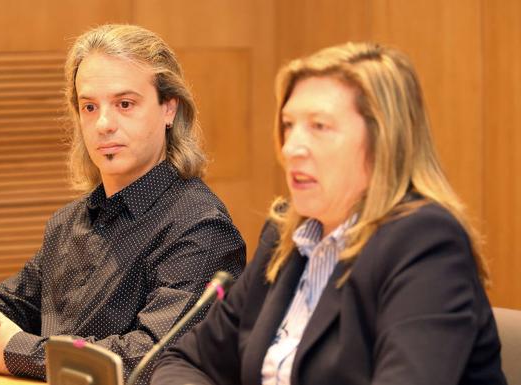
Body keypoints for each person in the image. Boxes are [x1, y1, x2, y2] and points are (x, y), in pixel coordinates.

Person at [151, 42, 506, 385]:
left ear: (383, 139)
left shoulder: (426, 245)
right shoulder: (286, 235)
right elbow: (185, 361)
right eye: (289, 125)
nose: (291, 148)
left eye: (319, 127)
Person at [0, 24, 246, 383]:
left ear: (169, 108)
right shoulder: (69, 222)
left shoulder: (202, 229)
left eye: (125, 104)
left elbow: (151, 359)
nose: (103, 124)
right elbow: (7, 304)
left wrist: (16, 351)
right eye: (89, 107)